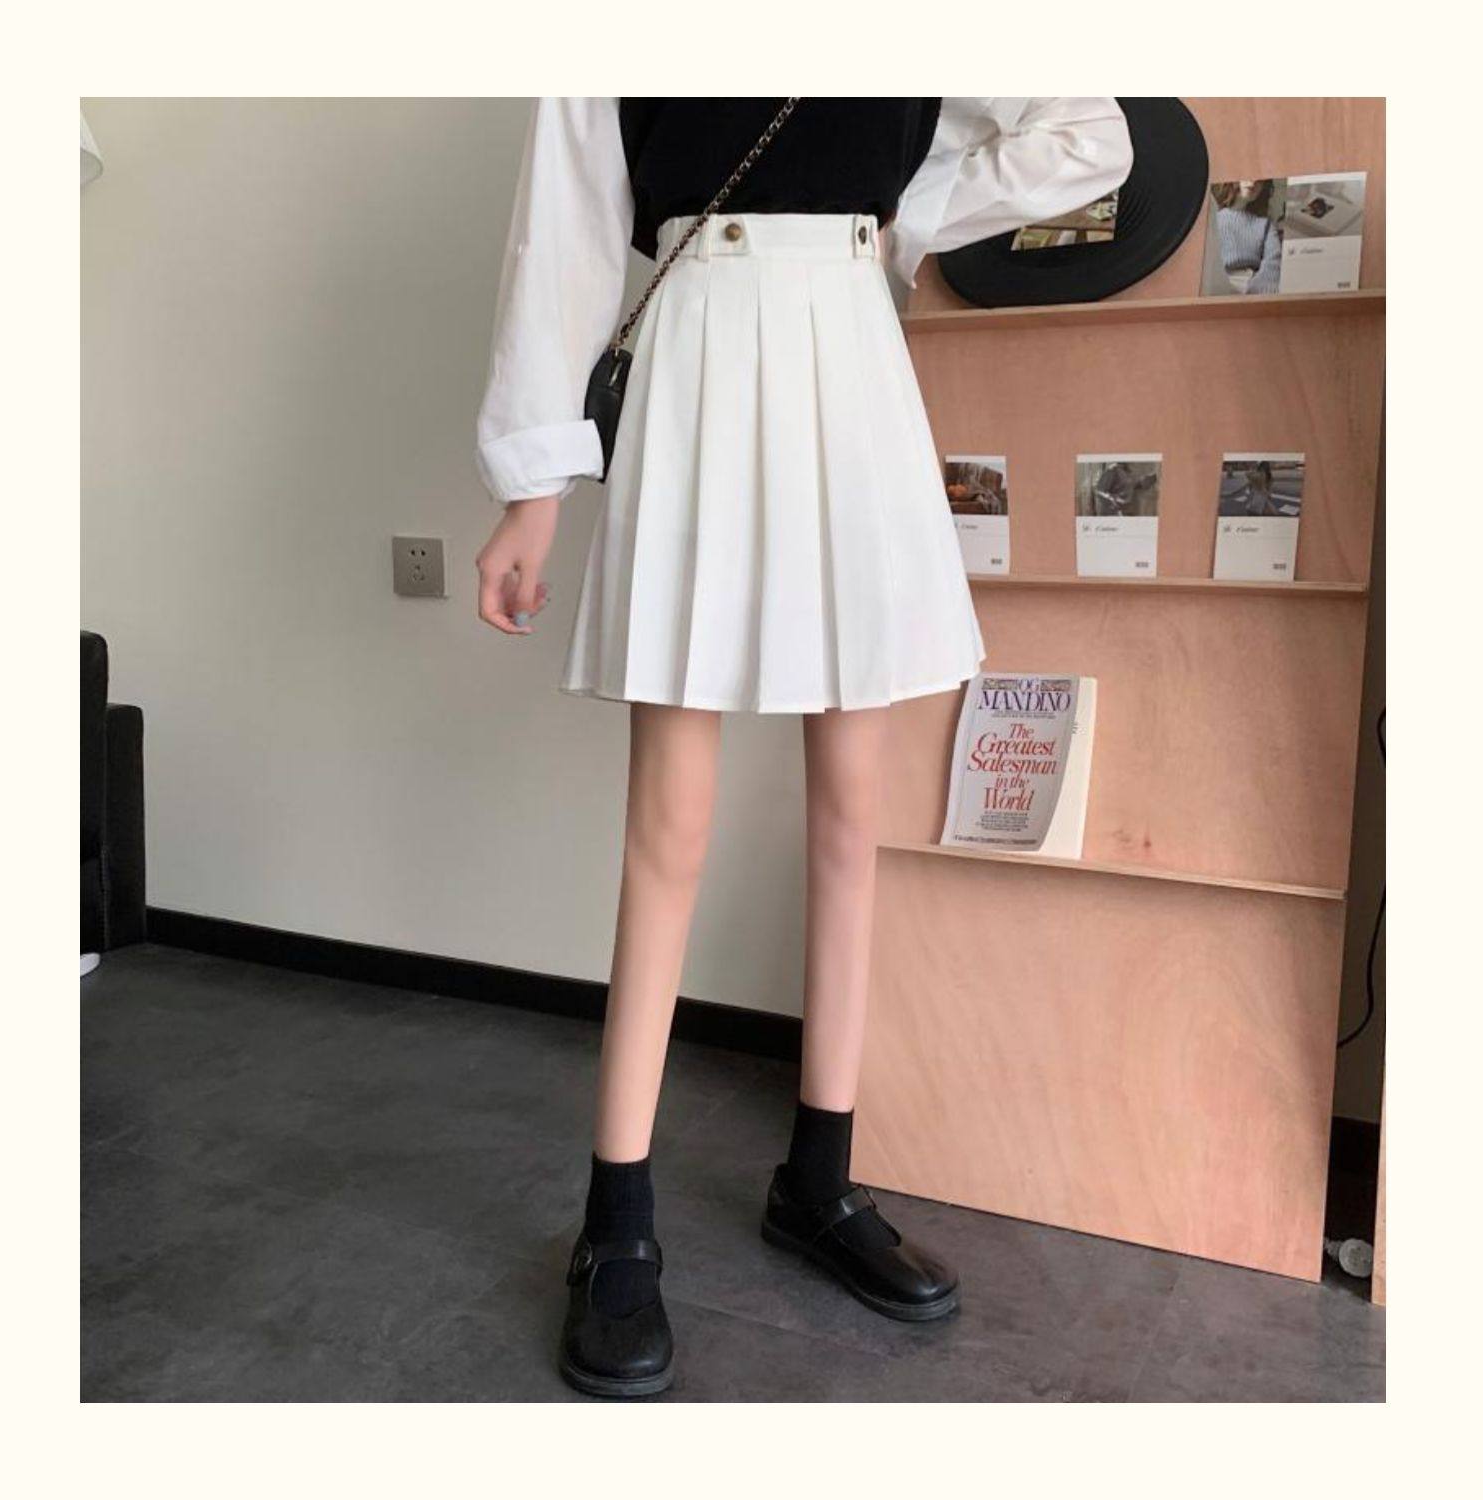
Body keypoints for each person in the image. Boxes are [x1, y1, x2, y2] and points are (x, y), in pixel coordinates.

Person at [473, 97, 1132, 1398]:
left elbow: (1084, 131)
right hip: (700, 356)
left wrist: (902, 213)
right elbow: (566, 229)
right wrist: (531, 492)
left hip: (850, 355)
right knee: (668, 829)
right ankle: (615, 1219)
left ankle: (818, 1183)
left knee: (849, 811)